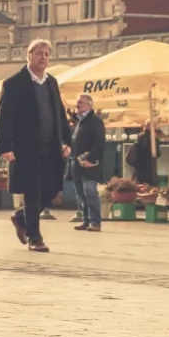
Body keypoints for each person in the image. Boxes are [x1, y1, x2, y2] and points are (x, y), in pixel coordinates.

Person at [0, 39, 71, 253]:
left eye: (47, 54)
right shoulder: (14, 83)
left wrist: (66, 141)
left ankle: (21, 218)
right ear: (28, 56)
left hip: (51, 146)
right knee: (32, 191)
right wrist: (6, 146)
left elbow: (60, 114)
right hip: (25, 147)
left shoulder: (51, 82)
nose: (43, 57)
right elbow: (5, 116)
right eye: (39, 53)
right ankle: (35, 238)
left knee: (52, 188)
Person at [70, 94, 106, 233]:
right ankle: (86, 220)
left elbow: (99, 143)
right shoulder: (79, 121)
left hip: (90, 165)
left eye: (80, 102)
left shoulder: (95, 121)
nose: (77, 105)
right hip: (77, 163)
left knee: (90, 192)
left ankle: (95, 222)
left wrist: (91, 160)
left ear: (88, 105)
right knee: (81, 195)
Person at [129, 121, 156, 185]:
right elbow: (157, 154)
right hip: (149, 167)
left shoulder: (139, 136)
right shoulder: (154, 139)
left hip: (139, 165)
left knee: (138, 184)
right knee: (149, 186)